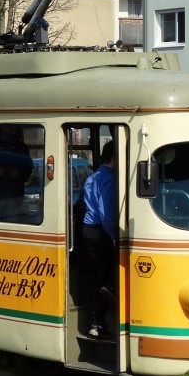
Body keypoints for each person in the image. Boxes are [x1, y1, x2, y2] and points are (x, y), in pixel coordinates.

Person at [81, 141, 117, 339]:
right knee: (107, 279)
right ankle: (100, 322)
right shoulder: (110, 179)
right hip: (102, 230)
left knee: (98, 277)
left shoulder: (92, 177)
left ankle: (97, 324)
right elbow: (107, 214)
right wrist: (114, 237)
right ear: (114, 157)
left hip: (88, 230)